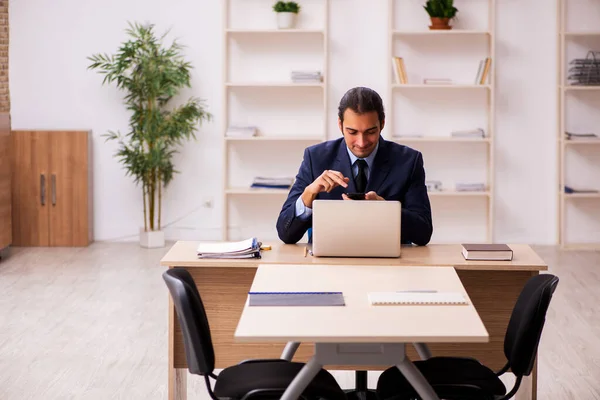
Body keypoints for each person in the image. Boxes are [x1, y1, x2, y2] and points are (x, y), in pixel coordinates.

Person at [276, 86, 433, 246]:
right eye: (352, 132)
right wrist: (309, 193)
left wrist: (386, 211)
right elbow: (285, 233)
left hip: (389, 264)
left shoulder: (409, 161)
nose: (362, 142)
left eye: (370, 132)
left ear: (382, 124)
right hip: (329, 263)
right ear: (340, 125)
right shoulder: (315, 158)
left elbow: (423, 233)